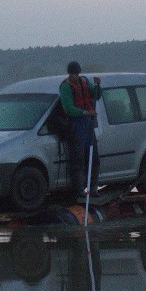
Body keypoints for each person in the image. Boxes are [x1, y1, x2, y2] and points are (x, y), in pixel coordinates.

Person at [60, 61, 102, 195]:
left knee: (94, 157)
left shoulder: (84, 81)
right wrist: (85, 112)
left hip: (88, 123)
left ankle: (93, 187)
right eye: (72, 74)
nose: (74, 76)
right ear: (69, 73)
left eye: (76, 74)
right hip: (76, 124)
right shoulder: (65, 87)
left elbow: (96, 95)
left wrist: (98, 86)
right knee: (78, 159)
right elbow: (68, 108)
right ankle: (79, 190)